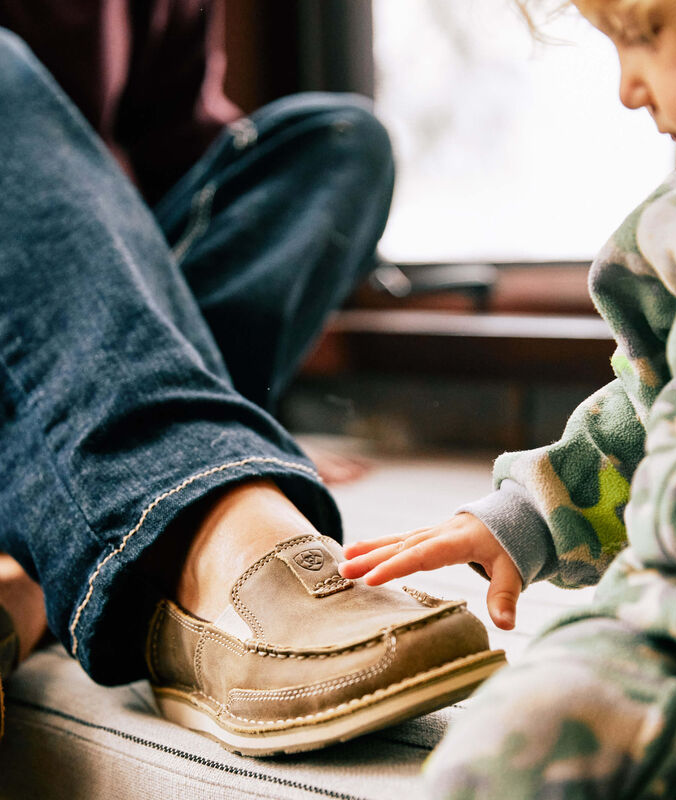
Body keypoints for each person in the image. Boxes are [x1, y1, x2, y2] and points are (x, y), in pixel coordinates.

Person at [0, 0, 503, 755]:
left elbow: (184, 165)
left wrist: (230, 417)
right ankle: (181, 503)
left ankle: (156, 480)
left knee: (335, 142)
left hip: (79, 326)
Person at [340, 0, 676, 795]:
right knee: (505, 755)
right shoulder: (673, 227)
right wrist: (524, 518)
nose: (628, 87)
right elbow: (653, 408)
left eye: (644, 36)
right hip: (664, 630)